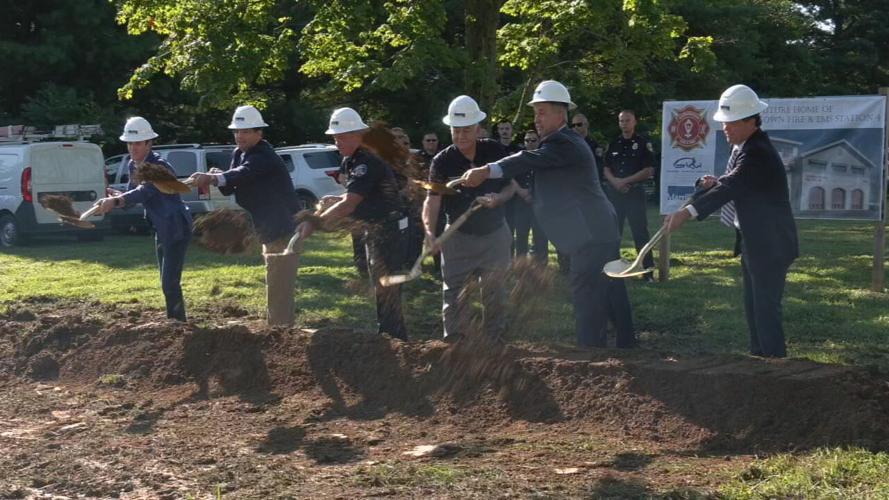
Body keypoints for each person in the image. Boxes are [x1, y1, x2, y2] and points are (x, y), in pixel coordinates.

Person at [460, 80, 635, 348]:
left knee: (585, 291)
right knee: (610, 286)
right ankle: (625, 343)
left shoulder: (563, 142)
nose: (536, 119)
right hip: (598, 227)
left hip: (591, 232)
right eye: (535, 112)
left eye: (542, 112)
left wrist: (486, 170)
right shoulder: (563, 142)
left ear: (561, 113)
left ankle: (590, 352)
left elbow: (527, 159)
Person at [664, 84, 798, 358]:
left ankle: (776, 367)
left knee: (765, 310)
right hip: (756, 242)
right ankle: (760, 361)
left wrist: (687, 213)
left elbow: (732, 185)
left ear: (752, 121)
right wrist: (712, 184)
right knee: (754, 308)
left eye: (732, 122)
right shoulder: (745, 148)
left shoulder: (757, 152)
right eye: (724, 122)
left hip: (771, 244)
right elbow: (735, 182)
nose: (725, 127)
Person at [300, 107, 409, 340]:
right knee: (380, 285)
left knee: (386, 286)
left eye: (342, 137)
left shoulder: (366, 161)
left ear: (358, 135)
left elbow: (350, 204)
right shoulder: (352, 159)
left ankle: (395, 339)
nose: (337, 142)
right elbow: (357, 194)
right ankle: (388, 336)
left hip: (388, 229)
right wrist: (336, 199)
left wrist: (316, 222)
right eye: (335, 137)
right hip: (375, 227)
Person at [189, 105, 301, 325]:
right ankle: (278, 323)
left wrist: (213, 178)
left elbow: (244, 172)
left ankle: (280, 326)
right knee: (274, 273)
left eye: (246, 131)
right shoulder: (240, 153)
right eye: (237, 131)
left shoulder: (263, 155)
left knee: (279, 275)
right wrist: (217, 176)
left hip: (283, 224)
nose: (240, 136)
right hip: (265, 222)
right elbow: (230, 186)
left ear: (259, 133)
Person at [423, 95, 516, 342]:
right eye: (456, 130)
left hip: (495, 234)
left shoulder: (494, 151)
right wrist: (430, 233)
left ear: (478, 129)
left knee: (495, 291)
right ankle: (454, 342)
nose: (461, 136)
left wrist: (498, 198)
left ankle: (495, 341)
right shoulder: (442, 161)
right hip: (458, 237)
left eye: (466, 130)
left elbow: (511, 186)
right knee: (454, 292)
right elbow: (432, 200)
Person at [94, 117, 192, 321]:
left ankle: (178, 325)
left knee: (169, 282)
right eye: (129, 143)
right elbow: (132, 195)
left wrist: (118, 200)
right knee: (166, 281)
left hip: (176, 227)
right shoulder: (133, 165)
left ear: (149, 143)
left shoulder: (160, 166)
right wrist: (117, 197)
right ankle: (175, 322)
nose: (133, 148)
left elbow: (144, 191)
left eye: (137, 143)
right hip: (160, 227)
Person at [603, 110, 657, 283]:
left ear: (634, 122)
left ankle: (647, 272)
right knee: (613, 233)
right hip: (615, 194)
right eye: (621, 121)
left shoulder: (642, 143)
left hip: (635, 193)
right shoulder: (614, 143)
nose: (624, 124)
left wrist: (625, 181)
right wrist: (616, 183)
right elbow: (606, 168)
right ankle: (612, 271)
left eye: (627, 120)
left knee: (640, 233)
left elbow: (649, 170)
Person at [513, 130, 549, 262]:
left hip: (539, 203)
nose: (530, 143)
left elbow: (549, 180)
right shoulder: (518, 158)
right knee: (521, 237)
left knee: (540, 237)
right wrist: (521, 192)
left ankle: (541, 267)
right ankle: (521, 268)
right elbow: (510, 177)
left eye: (533, 140)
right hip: (521, 202)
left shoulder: (544, 158)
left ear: (539, 141)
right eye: (527, 140)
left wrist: (534, 194)